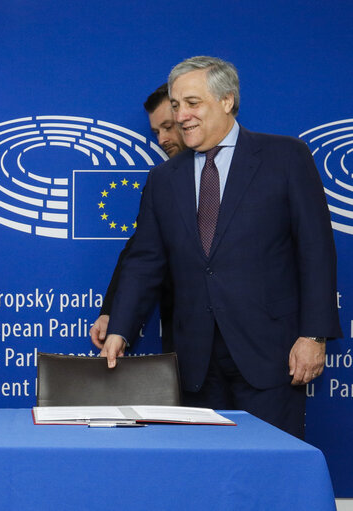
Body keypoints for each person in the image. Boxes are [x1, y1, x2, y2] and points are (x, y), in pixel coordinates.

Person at [96, 56, 341, 438]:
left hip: (271, 355)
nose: (181, 116)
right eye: (176, 105)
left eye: (193, 103)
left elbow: (316, 252)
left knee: (269, 476)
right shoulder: (163, 179)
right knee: (202, 479)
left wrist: (313, 335)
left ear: (227, 101)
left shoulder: (286, 157)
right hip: (194, 360)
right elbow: (145, 260)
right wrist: (121, 328)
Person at [91, 84, 184, 353]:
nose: (162, 139)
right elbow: (141, 251)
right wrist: (111, 313)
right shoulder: (162, 182)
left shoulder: (256, 168)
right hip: (187, 342)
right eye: (157, 131)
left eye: (169, 127)